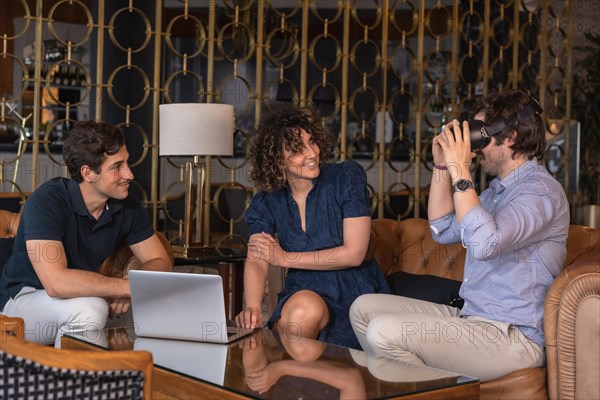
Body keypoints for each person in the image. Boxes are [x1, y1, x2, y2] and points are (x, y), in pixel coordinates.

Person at [349, 89, 570, 381]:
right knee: (363, 309)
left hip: (512, 336)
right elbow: (441, 228)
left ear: (511, 137)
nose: (474, 147)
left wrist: (460, 168)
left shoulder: (541, 192)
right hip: (471, 319)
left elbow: (486, 244)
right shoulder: (494, 193)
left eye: (480, 135)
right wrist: (443, 165)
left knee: (383, 333)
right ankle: (428, 384)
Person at [0, 121, 172, 347]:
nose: (129, 174)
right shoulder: (47, 202)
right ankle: (70, 380)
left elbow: (161, 262)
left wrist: (127, 286)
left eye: (127, 163)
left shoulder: (128, 207)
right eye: (117, 167)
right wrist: (126, 288)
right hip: (20, 305)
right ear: (88, 173)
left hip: (77, 296)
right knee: (91, 308)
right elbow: (56, 282)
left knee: (158, 311)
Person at [235, 106, 389, 349]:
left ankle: (287, 371)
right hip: (305, 288)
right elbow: (257, 256)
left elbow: (354, 254)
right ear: (276, 159)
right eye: (297, 149)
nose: (311, 153)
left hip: (355, 289)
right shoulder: (268, 200)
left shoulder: (345, 178)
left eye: (312, 142)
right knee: (300, 314)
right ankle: (295, 379)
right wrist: (252, 306)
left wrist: (285, 257)